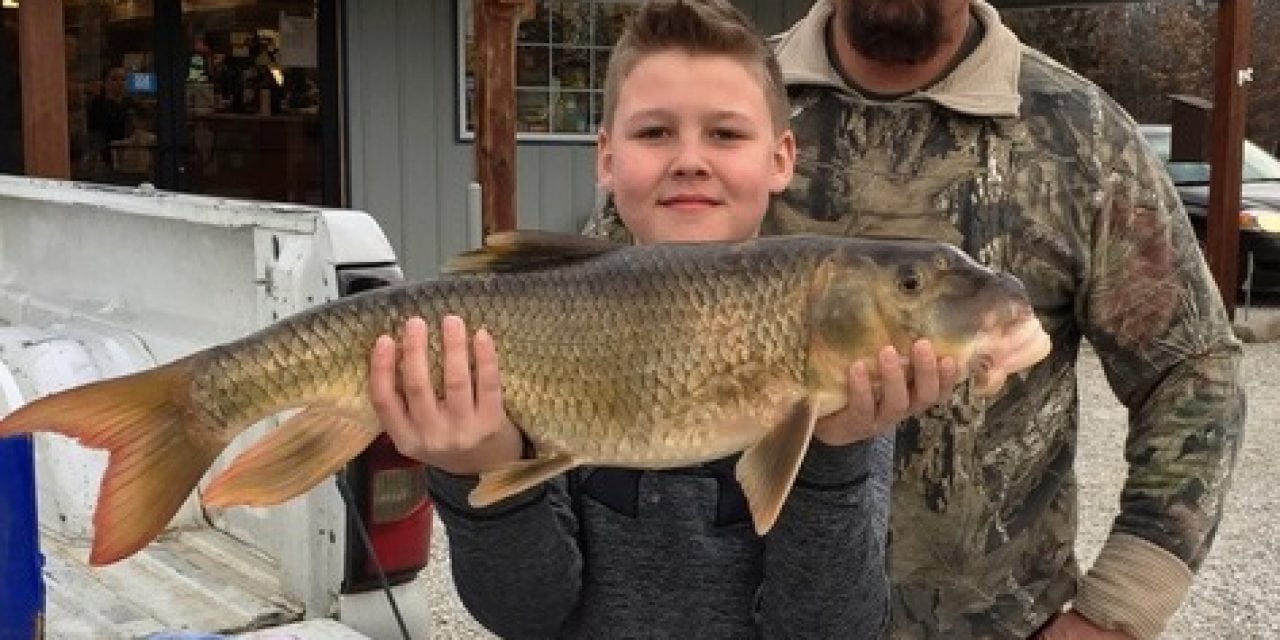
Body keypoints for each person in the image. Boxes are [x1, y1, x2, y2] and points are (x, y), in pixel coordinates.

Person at [584, 1, 1247, 639]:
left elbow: (1191, 369)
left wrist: (1120, 609)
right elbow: (600, 313)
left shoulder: (1080, 138)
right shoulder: (719, 96)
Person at [368, 1, 960, 637]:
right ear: (606, 157)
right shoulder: (537, 316)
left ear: (781, 157)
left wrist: (834, 456)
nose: (689, 160)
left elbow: (826, 629)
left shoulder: (840, 351)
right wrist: (477, 468)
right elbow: (524, 615)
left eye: (725, 134)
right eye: (654, 133)